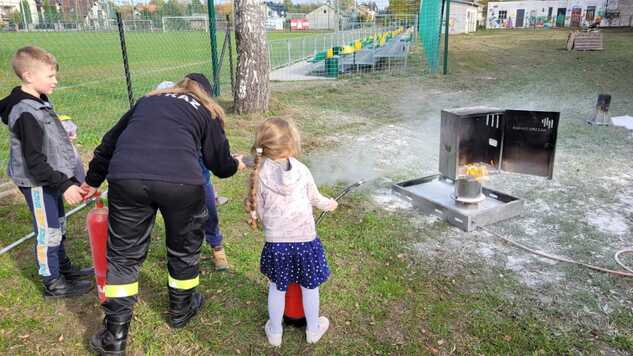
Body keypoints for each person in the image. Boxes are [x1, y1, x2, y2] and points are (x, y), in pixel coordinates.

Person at [82, 73, 245, 355]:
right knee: (183, 248)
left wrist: (93, 181)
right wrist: (235, 165)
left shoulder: (148, 101)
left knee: (123, 256)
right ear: (206, 94)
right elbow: (220, 165)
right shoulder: (206, 109)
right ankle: (181, 310)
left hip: (127, 177)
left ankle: (114, 336)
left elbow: (108, 143)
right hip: (182, 183)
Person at [0, 46, 93, 298]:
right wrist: (65, 185)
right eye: (50, 76)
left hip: (51, 174)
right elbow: (35, 161)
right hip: (37, 180)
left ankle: (63, 268)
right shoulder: (25, 113)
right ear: (29, 76)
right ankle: (51, 281)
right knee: (47, 230)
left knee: (58, 225)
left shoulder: (35, 98)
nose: (56, 81)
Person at [245, 117, 337, 346]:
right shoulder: (303, 170)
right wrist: (330, 204)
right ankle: (313, 329)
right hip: (306, 242)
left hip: (276, 245)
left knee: (277, 287)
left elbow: (260, 212)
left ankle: (275, 332)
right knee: (310, 287)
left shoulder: (260, 172)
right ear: (291, 145)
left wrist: (270, 225)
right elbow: (316, 199)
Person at [156, 80, 229, 271]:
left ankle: (216, 246)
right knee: (178, 216)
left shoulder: (201, 113)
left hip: (198, 172)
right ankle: (183, 252)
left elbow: (215, 153)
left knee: (209, 211)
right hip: (173, 175)